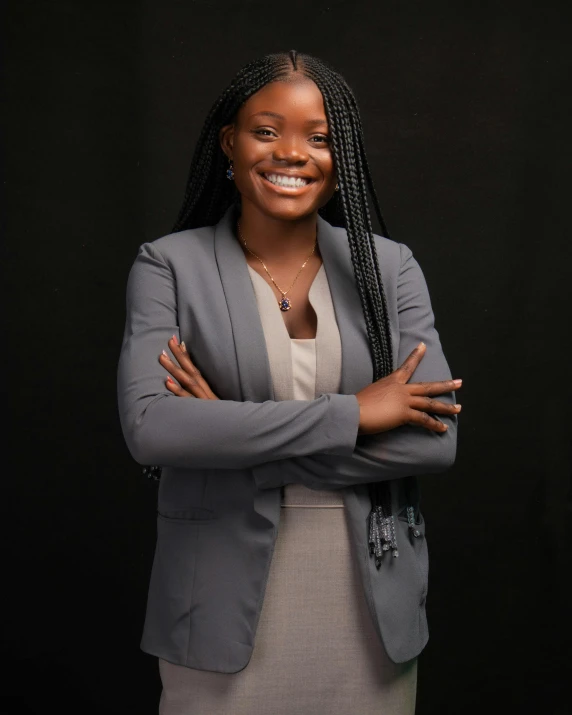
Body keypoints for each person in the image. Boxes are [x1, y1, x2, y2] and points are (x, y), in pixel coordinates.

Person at [117, 50, 461, 715]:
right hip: (217, 604)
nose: (293, 153)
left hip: (367, 606)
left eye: (320, 137)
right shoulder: (169, 266)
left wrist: (227, 429)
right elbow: (153, 428)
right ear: (230, 142)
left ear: (344, 157)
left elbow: (435, 442)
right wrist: (355, 412)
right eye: (267, 130)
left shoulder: (390, 271)